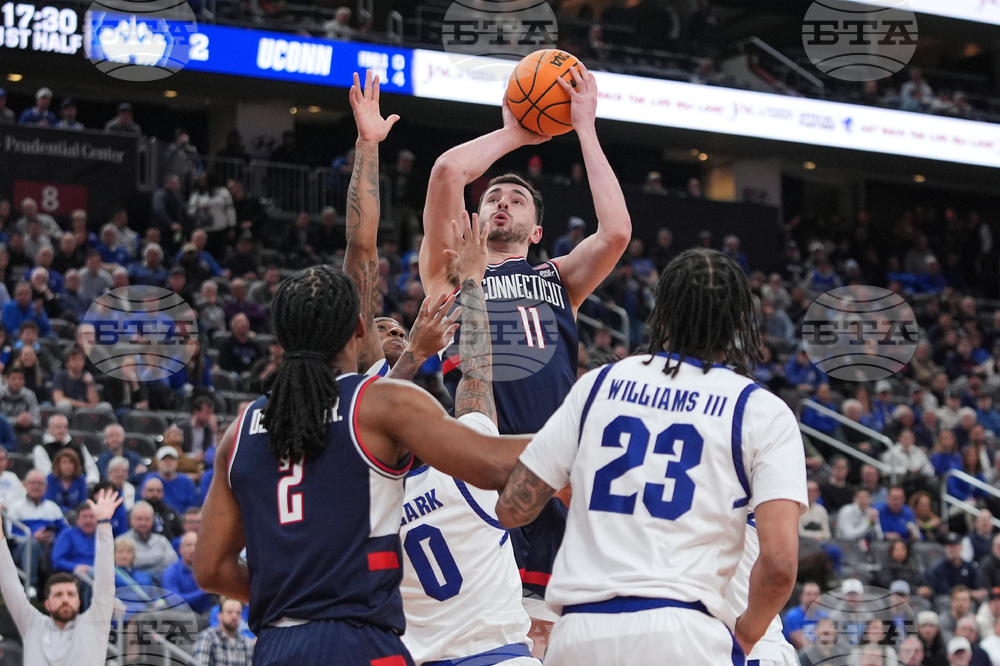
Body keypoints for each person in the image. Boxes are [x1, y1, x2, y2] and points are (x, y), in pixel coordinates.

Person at [194, 264, 529, 665]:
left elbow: (210, 569)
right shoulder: (380, 404)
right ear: (357, 328)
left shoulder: (239, 431)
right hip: (358, 638)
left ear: (280, 337)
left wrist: (297, 595)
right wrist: (579, 429)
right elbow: (492, 463)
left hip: (276, 645)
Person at [494, 248, 807, 665]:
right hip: (684, 632)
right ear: (738, 324)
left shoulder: (600, 384)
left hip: (581, 634)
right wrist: (746, 636)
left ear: (661, 315)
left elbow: (514, 507)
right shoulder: (760, 410)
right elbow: (781, 564)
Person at [419, 62, 631, 435]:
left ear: (536, 232)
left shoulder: (558, 277)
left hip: (554, 458)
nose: (502, 203)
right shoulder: (452, 267)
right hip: (480, 456)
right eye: (492, 199)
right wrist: (513, 134)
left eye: (517, 200)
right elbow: (448, 171)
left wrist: (584, 127)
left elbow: (615, 233)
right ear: (475, 216)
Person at [398, 209, 539, 664]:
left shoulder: (368, 496)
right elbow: (477, 373)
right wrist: (474, 281)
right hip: (500, 655)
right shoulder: (466, 462)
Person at [0, 488, 121, 666]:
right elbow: (9, 582)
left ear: (79, 602)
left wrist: (103, 524)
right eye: (58, 595)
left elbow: (105, 580)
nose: (65, 599)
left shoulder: (94, 624)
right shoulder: (32, 624)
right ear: (47, 603)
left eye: (71, 594)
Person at [7, 470, 67, 587]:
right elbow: (10, 535)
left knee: (60, 546)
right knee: (32, 545)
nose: (36, 487)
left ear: (46, 487)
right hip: (23, 548)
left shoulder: (53, 508)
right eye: (32, 483)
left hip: (49, 546)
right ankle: (31, 586)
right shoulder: (15, 508)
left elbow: (65, 530)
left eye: (40, 483)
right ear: (25, 484)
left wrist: (53, 538)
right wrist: (32, 537)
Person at [33, 413, 99, 484]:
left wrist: (90, 482)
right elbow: (47, 474)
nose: (62, 430)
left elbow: (91, 468)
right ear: (49, 428)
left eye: (65, 427)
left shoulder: (79, 447)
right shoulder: (40, 450)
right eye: (58, 427)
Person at [190, 598, 255, 666]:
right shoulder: (207, 638)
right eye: (229, 612)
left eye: (238, 613)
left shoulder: (247, 643)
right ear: (220, 616)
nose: (234, 616)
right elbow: (201, 663)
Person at [162, 531, 213, 615]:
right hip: (183, 616)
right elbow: (175, 600)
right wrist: (205, 592)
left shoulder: (209, 569)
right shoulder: (170, 572)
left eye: (196, 545)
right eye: (188, 545)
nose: (193, 549)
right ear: (180, 550)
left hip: (210, 612)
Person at [126, 500, 177, 581]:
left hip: (162, 582)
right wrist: (159, 557)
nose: (143, 523)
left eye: (147, 519)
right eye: (139, 519)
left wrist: (151, 571)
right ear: (131, 520)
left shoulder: (161, 540)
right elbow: (128, 562)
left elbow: (173, 561)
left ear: (153, 520)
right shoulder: (123, 541)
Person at [928, 533, 982, 599]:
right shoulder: (939, 569)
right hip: (948, 601)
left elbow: (976, 586)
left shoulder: (969, 567)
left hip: (968, 601)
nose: (952, 549)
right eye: (949, 546)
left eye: (955, 546)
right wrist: (968, 593)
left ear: (961, 547)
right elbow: (943, 590)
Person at [148, 447, 200, 514]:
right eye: (164, 459)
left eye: (171, 459)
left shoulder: (187, 482)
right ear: (157, 462)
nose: (168, 463)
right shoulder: (150, 479)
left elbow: (192, 507)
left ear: (177, 462)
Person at [781, 581, 827, 649]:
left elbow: (830, 640)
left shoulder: (825, 616)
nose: (813, 598)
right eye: (809, 594)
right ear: (802, 596)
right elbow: (802, 645)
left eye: (816, 594)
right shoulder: (793, 616)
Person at [44, 448, 88, 515]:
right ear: (58, 465)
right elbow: (49, 502)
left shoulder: (81, 479)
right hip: (55, 515)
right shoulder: (50, 479)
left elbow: (82, 502)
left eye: (71, 462)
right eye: (64, 463)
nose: (67, 466)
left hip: (76, 516)